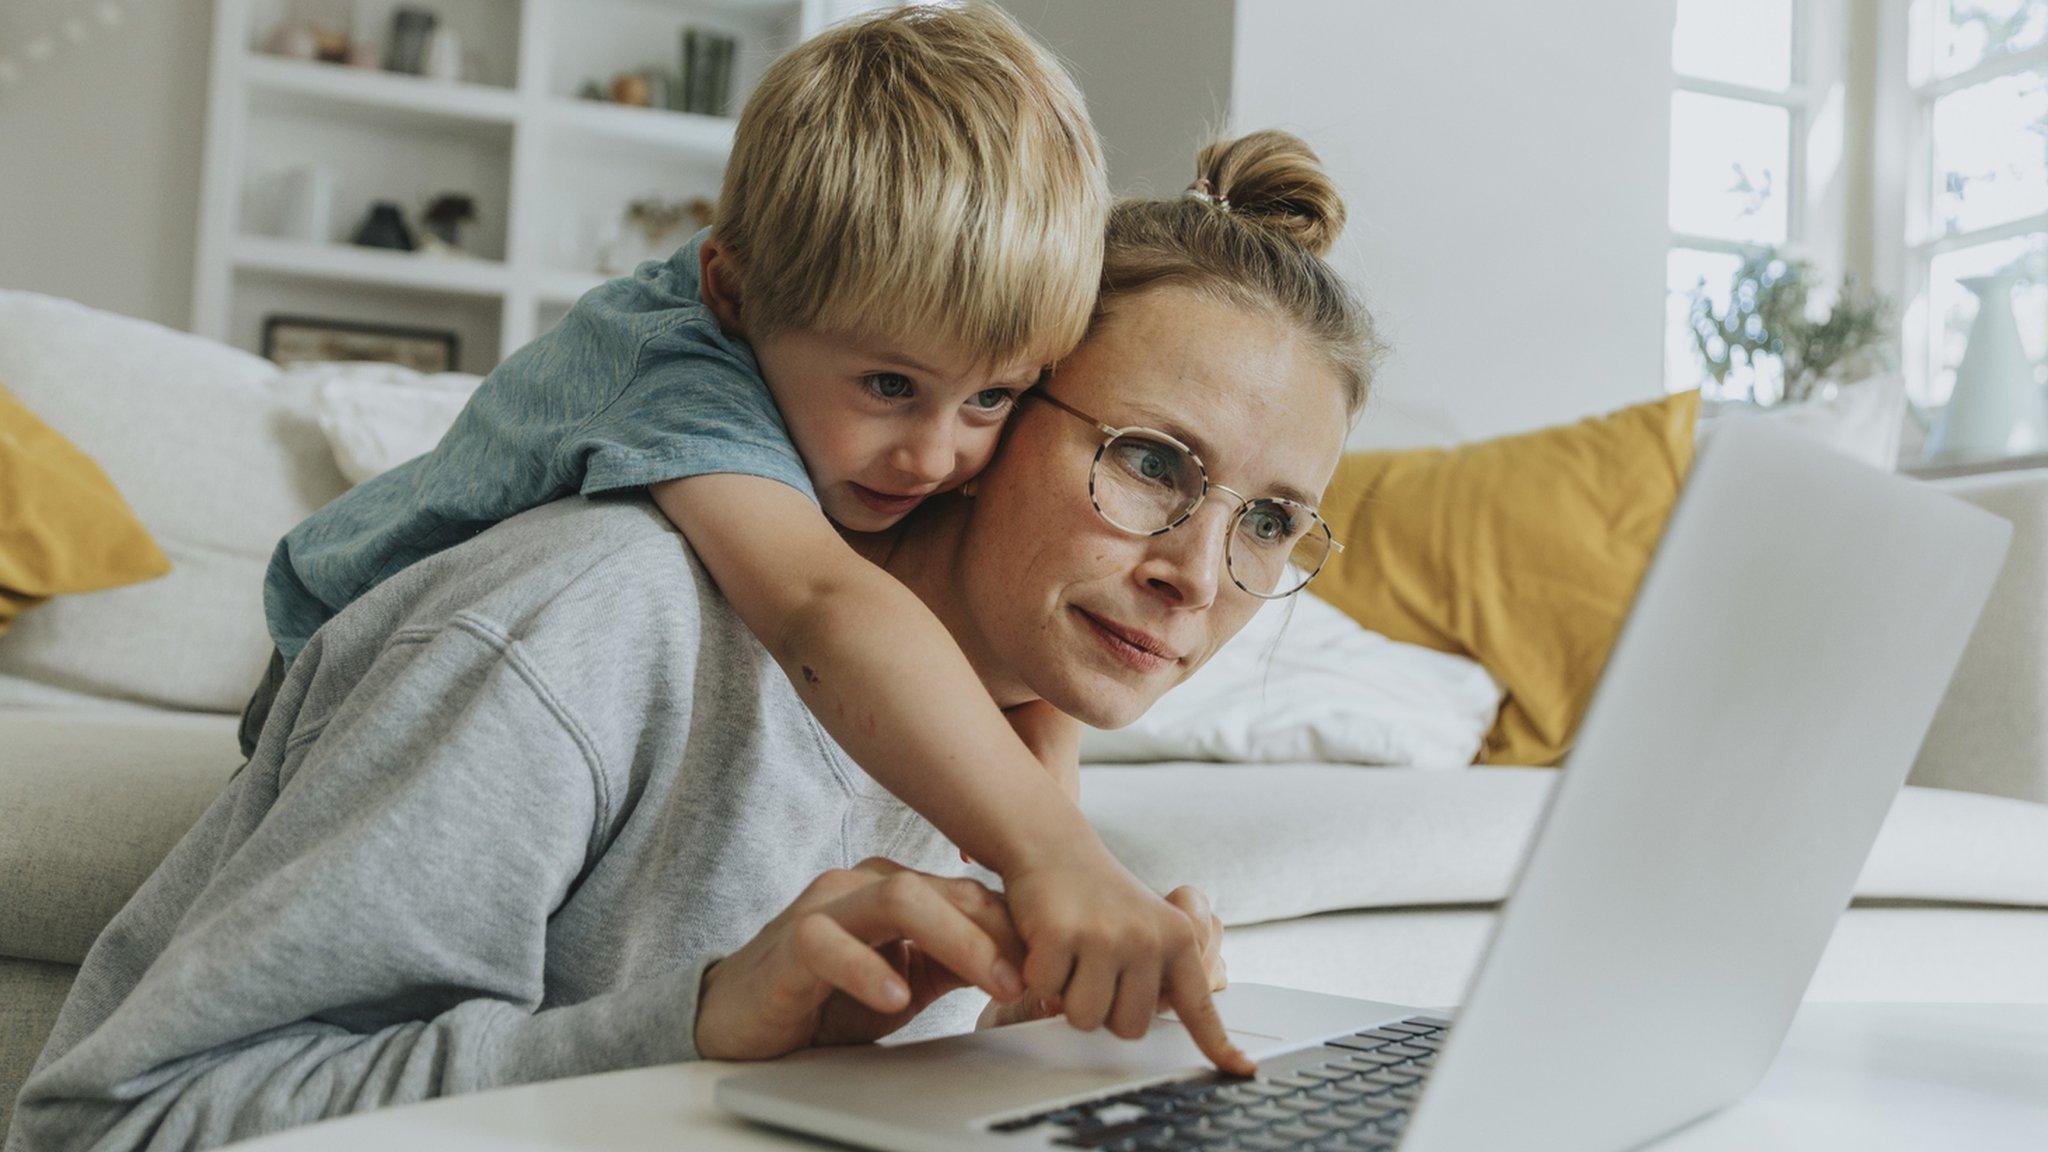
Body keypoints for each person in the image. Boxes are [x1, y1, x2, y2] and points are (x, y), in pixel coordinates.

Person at [6, 130, 1377, 1152]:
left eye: (1271, 521)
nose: (1199, 574)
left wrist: (1025, 1068)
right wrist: (698, 1020)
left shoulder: (1008, 736)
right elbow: (117, 1124)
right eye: (1149, 460)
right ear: (996, 400)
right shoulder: (586, 627)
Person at [246, 3, 1218, 1043]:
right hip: (343, 672)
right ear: (730, 292)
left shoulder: (840, 351)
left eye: (992, 399)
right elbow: (817, 606)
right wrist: (1051, 856)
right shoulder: (678, 365)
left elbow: (1013, 660)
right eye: (890, 385)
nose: (936, 456)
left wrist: (1057, 848)